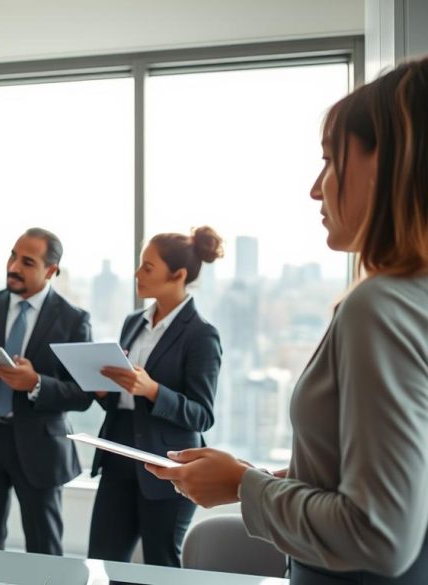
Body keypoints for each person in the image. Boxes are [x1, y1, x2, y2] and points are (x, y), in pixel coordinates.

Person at [148, 57, 428, 584]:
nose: (316, 188)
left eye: (330, 161)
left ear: (389, 161)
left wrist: (242, 488)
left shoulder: (381, 307)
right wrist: (257, 478)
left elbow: (379, 533)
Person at [0, 228, 92, 556]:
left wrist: (36, 384)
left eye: (27, 261)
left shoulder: (73, 320)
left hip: (40, 447)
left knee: (44, 549)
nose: (13, 266)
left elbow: (83, 395)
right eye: (12, 256)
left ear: (51, 270)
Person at [86, 226, 224, 567]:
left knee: (161, 568)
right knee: (103, 564)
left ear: (177, 275)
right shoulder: (134, 323)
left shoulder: (201, 335)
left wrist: (153, 390)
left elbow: (201, 414)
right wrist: (106, 391)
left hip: (167, 472)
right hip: (119, 461)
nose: (137, 274)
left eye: (148, 267)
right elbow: (125, 399)